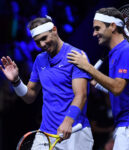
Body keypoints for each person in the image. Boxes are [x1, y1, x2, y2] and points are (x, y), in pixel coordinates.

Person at [0, 16, 94, 150]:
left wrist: (68, 121)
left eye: (44, 38)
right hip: (45, 133)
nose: (42, 45)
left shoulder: (75, 55)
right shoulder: (40, 60)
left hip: (74, 132)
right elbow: (30, 96)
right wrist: (16, 81)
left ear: (54, 30)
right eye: (38, 42)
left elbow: (81, 95)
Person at [67, 7, 129, 150]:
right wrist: (96, 82)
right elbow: (121, 90)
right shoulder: (115, 54)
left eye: (97, 28)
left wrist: (88, 67)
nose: (94, 33)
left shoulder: (126, 51)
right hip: (125, 123)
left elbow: (117, 88)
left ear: (112, 26)